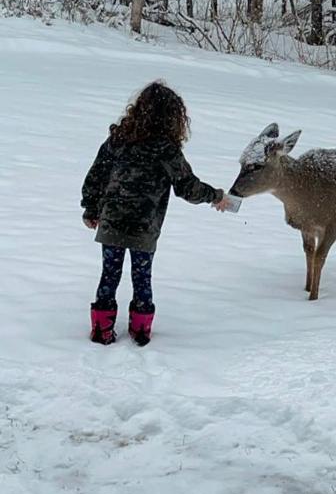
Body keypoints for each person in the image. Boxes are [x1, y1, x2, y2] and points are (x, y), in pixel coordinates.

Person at [81, 80, 229, 346]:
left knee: (109, 274)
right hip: (144, 226)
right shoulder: (166, 150)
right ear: (173, 117)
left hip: (112, 221)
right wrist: (214, 195)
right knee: (142, 276)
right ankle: (140, 330)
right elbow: (187, 187)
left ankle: (101, 329)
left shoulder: (118, 140)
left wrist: (91, 207)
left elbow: (97, 174)